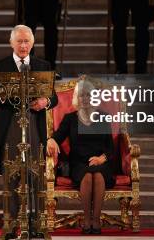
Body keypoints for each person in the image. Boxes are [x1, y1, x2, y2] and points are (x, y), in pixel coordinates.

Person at [0, 24, 58, 238]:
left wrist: (45, 101)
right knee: (12, 175)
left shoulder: (42, 65)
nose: (24, 45)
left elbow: (54, 98)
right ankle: (11, 225)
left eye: (27, 41)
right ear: (12, 43)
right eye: (20, 41)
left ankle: (37, 226)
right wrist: (5, 95)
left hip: (35, 125)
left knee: (36, 175)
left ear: (32, 43)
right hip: (11, 126)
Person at [46, 79, 114, 235]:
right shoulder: (70, 118)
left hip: (101, 162)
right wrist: (50, 140)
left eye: (88, 95)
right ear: (77, 98)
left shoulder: (103, 117)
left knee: (97, 174)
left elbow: (111, 147)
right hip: (78, 163)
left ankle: (95, 220)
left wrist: (101, 158)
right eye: (81, 95)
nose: (85, 99)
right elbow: (57, 137)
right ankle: (87, 219)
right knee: (88, 175)